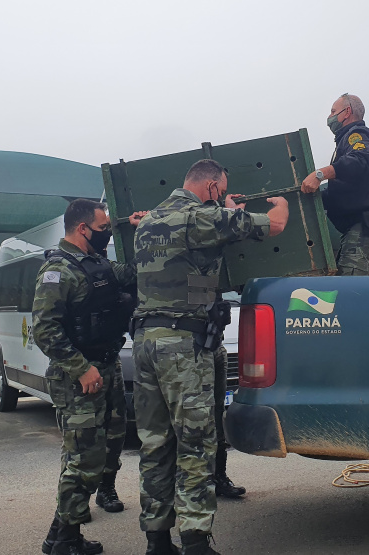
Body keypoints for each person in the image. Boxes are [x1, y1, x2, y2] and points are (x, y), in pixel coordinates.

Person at [132, 159, 288, 555]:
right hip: (183, 348)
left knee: (155, 444)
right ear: (214, 187)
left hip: (146, 344)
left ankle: (157, 541)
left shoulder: (150, 221)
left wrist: (224, 210)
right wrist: (280, 207)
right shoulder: (199, 218)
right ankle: (196, 542)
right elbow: (274, 225)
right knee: (196, 442)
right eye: (221, 190)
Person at [33, 198, 146, 555]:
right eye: (102, 229)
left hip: (107, 367)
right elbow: (45, 329)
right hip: (79, 378)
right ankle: (63, 540)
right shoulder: (58, 270)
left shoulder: (96, 264)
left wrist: (143, 233)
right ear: (82, 229)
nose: (106, 234)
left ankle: (63, 535)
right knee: (82, 458)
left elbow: (131, 273)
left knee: (101, 451)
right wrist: (82, 369)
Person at [300, 93, 369, 275]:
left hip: (364, 227)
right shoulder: (345, 141)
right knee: (343, 281)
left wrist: (319, 175)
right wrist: (312, 196)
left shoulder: (356, 135)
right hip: (357, 227)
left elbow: (361, 160)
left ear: (347, 112)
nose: (330, 117)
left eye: (333, 111)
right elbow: (342, 193)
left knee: (346, 289)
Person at [212, 344, 245, 498]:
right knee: (196, 418)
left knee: (217, 413)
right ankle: (200, 483)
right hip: (192, 348)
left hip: (215, 342)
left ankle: (219, 478)